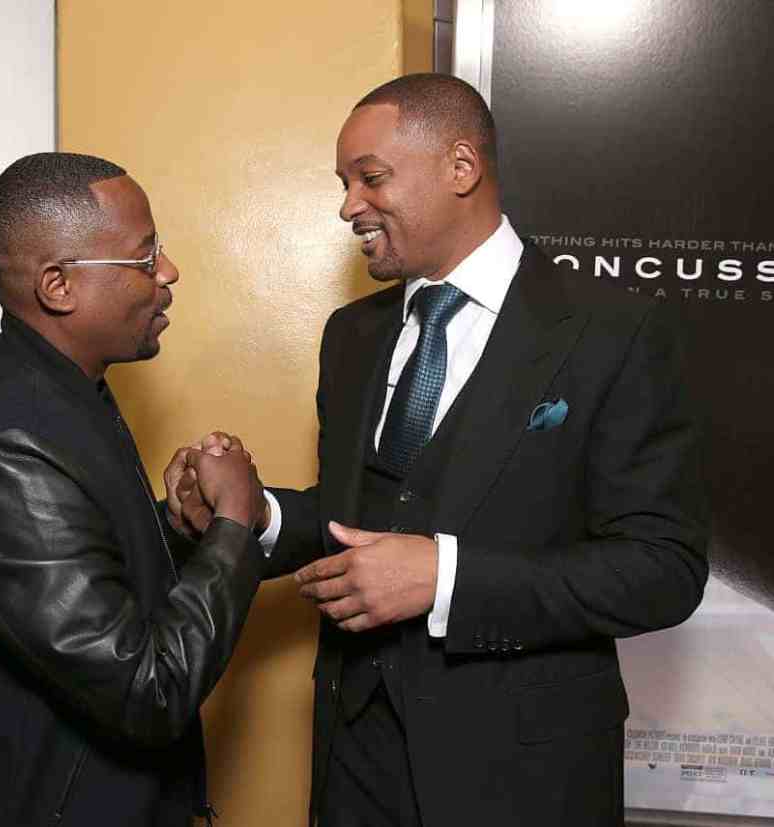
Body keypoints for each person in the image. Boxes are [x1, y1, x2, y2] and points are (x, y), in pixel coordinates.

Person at [170, 74, 709, 826]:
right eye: (344, 182)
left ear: (462, 168)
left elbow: (664, 569)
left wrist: (448, 577)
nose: (348, 205)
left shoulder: (614, 334)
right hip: (354, 760)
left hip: (522, 775)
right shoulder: (352, 336)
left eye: (371, 178)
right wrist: (250, 512)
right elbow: (354, 515)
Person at [0, 152, 268, 827]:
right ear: (58, 286)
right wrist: (234, 526)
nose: (167, 272)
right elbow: (149, 687)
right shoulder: (11, 445)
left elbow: (80, 579)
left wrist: (174, 526)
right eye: (144, 256)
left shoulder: (61, 390)